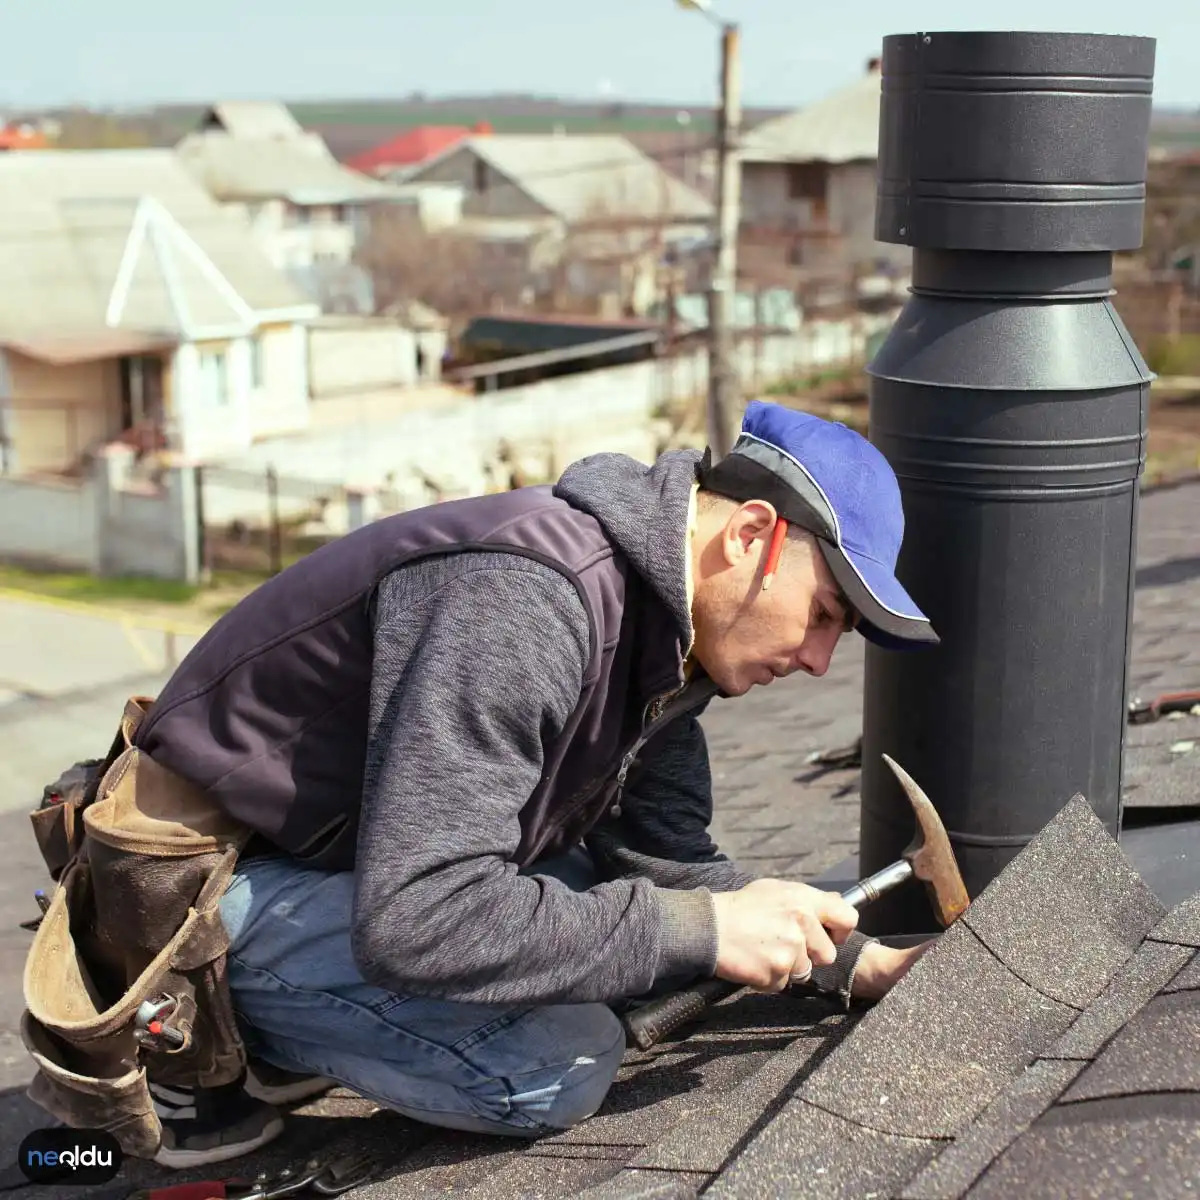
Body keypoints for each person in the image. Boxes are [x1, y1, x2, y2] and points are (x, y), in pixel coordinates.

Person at [126, 400, 941, 1165]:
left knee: (634, 932)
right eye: (827, 613)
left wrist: (855, 963)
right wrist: (700, 931)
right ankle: (207, 1038)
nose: (819, 662)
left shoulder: (665, 640)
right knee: (559, 1060)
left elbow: (665, 869)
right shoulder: (523, 601)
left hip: (350, 869)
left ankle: (325, 1017)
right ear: (750, 534)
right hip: (199, 895)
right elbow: (419, 918)